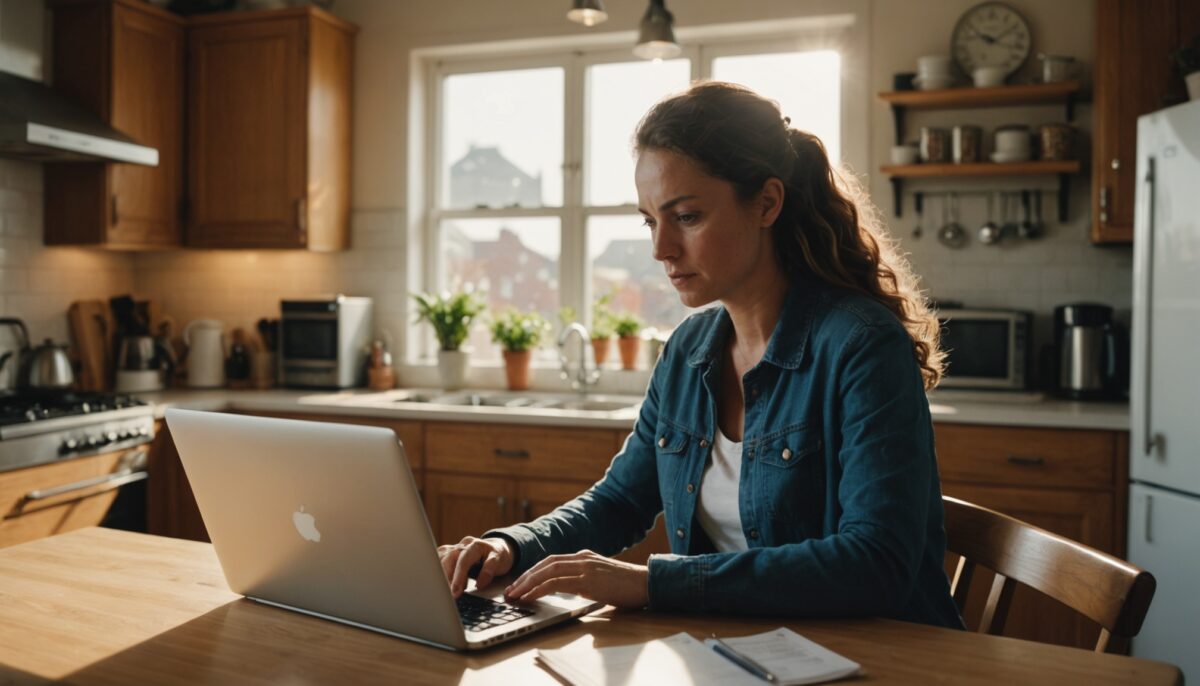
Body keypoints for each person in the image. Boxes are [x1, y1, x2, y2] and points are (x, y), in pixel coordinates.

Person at [438, 81, 963, 628]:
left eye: (685, 216)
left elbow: (876, 564)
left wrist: (651, 583)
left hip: (884, 656)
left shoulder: (860, 344)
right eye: (650, 220)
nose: (660, 248)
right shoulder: (689, 349)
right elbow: (621, 501)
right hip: (739, 649)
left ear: (766, 203)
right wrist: (511, 545)